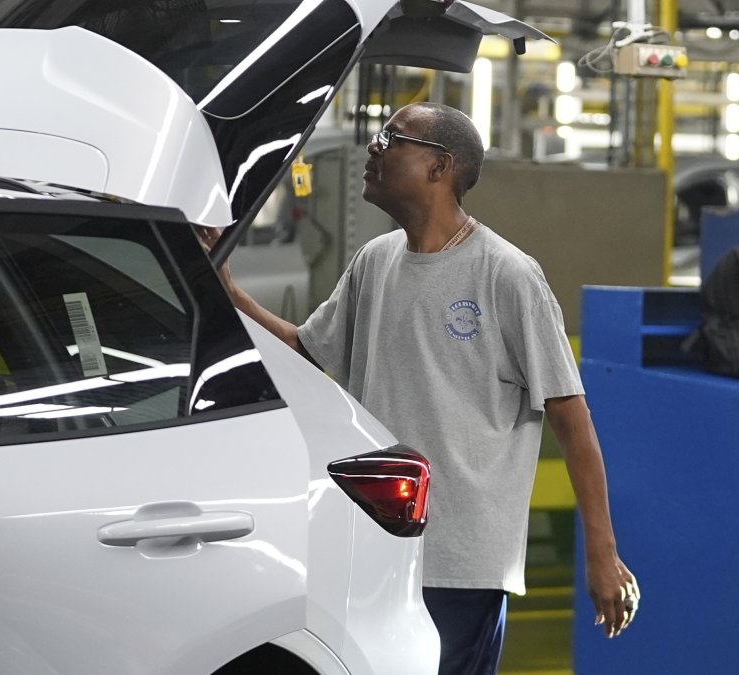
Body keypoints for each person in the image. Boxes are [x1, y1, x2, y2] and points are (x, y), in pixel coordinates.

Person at [200, 101, 638, 675]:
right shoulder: (375, 261)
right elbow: (308, 351)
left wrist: (601, 555)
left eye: (393, 138)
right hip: (374, 540)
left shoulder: (507, 274)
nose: (374, 148)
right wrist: (226, 288)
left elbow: (572, 422)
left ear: (440, 167)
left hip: (460, 558)